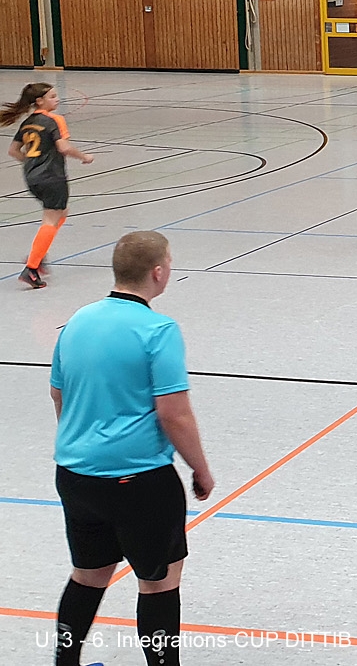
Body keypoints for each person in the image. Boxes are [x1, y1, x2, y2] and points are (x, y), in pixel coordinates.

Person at [49, 231, 214, 666]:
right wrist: (200, 469)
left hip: (76, 476)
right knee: (158, 583)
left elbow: (59, 394)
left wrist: (86, 445)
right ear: (158, 273)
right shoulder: (158, 330)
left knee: (89, 575)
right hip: (139, 481)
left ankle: (65, 662)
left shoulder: (78, 320)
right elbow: (174, 414)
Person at [4, 82, 94, 290]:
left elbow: (13, 151)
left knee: (61, 212)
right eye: (52, 96)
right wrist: (84, 156)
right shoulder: (54, 120)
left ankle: (39, 253)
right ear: (39, 101)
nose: (57, 99)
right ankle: (32, 268)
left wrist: (31, 163)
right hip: (52, 177)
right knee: (51, 218)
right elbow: (63, 147)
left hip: (32, 177)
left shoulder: (28, 123)